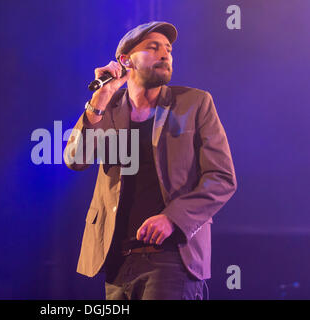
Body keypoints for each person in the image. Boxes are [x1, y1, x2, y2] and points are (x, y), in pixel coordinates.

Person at [64, 21, 237, 300]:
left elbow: (222, 178)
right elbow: (75, 159)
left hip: (171, 258)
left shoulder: (195, 103)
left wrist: (173, 218)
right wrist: (101, 98)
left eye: (168, 49)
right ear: (125, 61)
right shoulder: (108, 107)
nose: (165, 54)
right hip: (117, 260)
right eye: (152, 48)